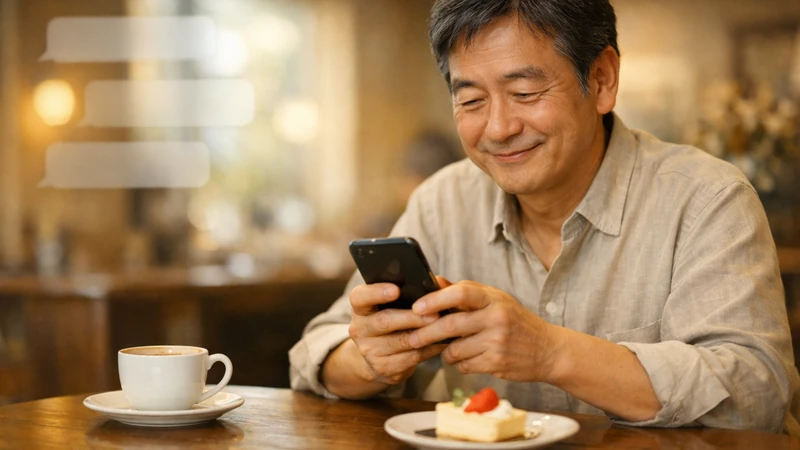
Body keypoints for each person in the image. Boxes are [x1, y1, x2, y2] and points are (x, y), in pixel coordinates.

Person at [290, 0, 800, 433]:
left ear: (601, 79)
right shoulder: (442, 202)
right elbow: (314, 355)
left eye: (525, 94)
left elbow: (757, 392)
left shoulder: (706, 199)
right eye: (470, 99)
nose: (498, 127)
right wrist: (369, 359)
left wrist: (552, 353)